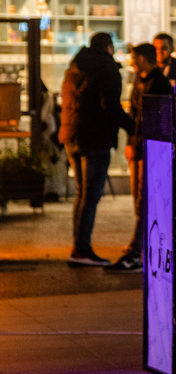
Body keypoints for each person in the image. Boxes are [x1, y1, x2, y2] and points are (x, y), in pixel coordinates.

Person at [59, 32, 134, 267]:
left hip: (72, 135)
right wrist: (133, 127)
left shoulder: (75, 67)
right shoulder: (106, 68)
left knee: (82, 194)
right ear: (108, 47)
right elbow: (110, 105)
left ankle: (78, 246)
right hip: (95, 138)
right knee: (90, 196)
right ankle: (81, 248)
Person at [111, 43, 172, 273]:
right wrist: (130, 143)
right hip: (139, 148)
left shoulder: (158, 83)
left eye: (134, 58)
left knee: (144, 200)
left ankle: (136, 251)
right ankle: (141, 248)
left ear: (144, 59)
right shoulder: (140, 80)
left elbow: (153, 119)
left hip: (151, 149)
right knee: (139, 199)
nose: (132, 62)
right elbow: (134, 114)